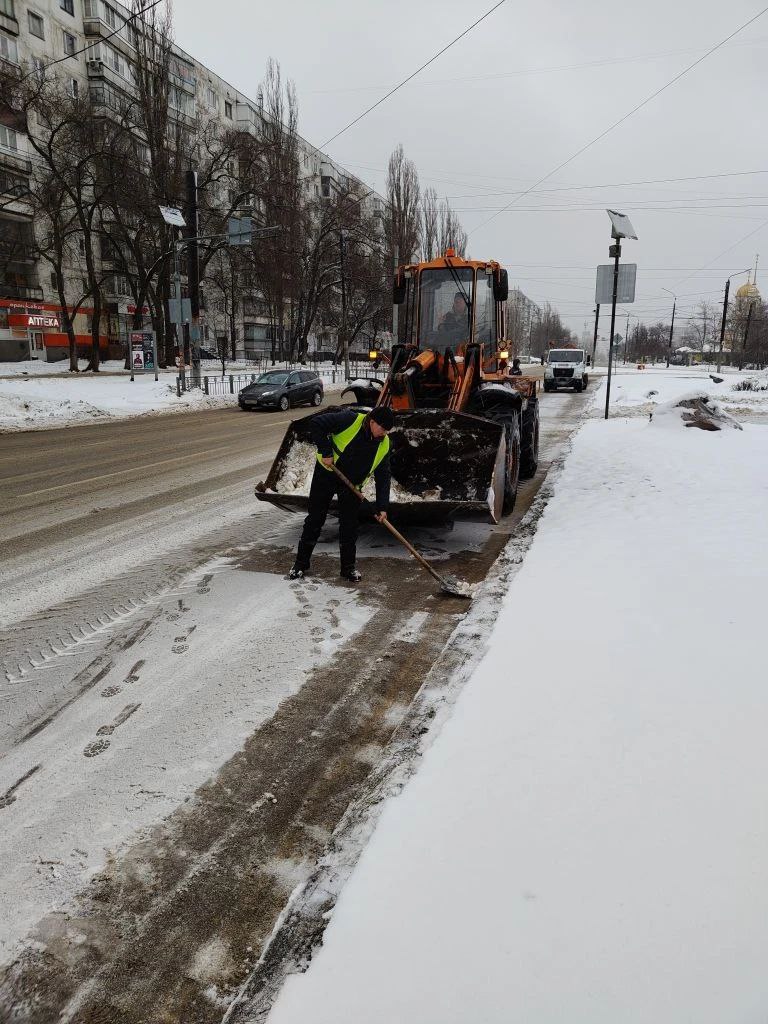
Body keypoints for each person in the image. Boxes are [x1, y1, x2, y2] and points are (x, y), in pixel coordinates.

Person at [289, 405, 395, 583]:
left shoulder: (384, 444)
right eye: (382, 428)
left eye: (387, 430)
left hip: (352, 485)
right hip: (328, 473)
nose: (384, 433)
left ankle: (348, 569)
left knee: (350, 526)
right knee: (315, 519)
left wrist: (382, 506)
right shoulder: (350, 420)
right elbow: (316, 423)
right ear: (372, 421)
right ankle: (300, 564)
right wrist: (326, 450)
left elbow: (383, 476)